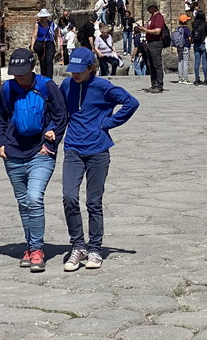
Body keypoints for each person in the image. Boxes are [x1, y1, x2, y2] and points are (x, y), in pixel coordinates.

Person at [59, 48, 139, 271]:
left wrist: (107, 123)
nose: (75, 74)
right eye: (72, 70)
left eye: (79, 70)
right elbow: (59, 110)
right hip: (73, 148)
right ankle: (78, 245)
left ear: (91, 68)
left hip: (98, 150)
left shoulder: (103, 87)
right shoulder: (66, 86)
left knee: (93, 202)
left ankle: (94, 248)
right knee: (69, 196)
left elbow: (131, 103)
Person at [0, 48, 68, 273]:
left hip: (40, 153)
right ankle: (29, 245)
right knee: (23, 202)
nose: (20, 77)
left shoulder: (47, 87)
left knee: (34, 198)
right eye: (15, 73)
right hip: (13, 154)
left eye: (23, 73)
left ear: (32, 68)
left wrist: (50, 143)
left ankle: (36, 249)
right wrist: (0, 144)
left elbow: (61, 116)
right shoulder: (7, 89)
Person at [136, 0, 167, 93]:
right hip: (150, 43)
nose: (148, 10)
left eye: (149, 8)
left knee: (157, 64)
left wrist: (145, 30)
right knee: (151, 64)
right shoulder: (151, 17)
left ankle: (159, 85)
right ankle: (153, 84)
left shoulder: (158, 17)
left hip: (156, 42)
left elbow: (157, 31)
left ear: (154, 7)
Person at [31, 9, 59, 78]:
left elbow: (55, 35)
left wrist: (57, 45)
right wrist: (32, 46)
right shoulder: (37, 25)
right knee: (42, 61)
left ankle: (49, 79)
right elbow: (34, 36)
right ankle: (43, 77)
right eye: (42, 17)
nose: (43, 18)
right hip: (40, 44)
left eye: (45, 17)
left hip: (50, 43)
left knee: (49, 61)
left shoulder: (52, 24)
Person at [190, 10, 207, 85]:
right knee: (204, 62)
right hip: (203, 44)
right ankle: (206, 79)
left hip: (196, 44)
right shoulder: (205, 24)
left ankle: (197, 79)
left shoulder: (194, 24)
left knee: (197, 62)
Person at [171, 14, 192, 85]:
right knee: (185, 62)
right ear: (185, 21)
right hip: (185, 46)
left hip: (179, 47)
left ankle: (180, 78)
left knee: (180, 61)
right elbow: (189, 38)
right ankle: (185, 78)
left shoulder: (177, 29)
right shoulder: (186, 29)